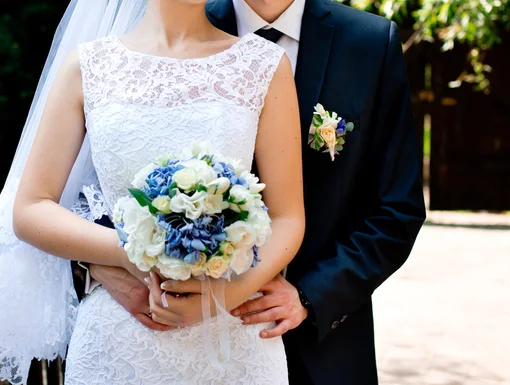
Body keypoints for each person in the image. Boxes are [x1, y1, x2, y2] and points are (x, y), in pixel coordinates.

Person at [86, 0, 427, 384]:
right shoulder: (178, 17)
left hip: (324, 343)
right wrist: (100, 263)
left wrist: (310, 296)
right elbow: (97, 177)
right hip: (174, 336)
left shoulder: (367, 43)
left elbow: (397, 209)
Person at [0, 0, 305, 384]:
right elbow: (31, 209)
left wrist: (224, 297)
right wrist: (131, 252)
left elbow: (287, 216)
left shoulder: (263, 65)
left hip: (234, 339)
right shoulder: (88, 66)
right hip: (119, 338)